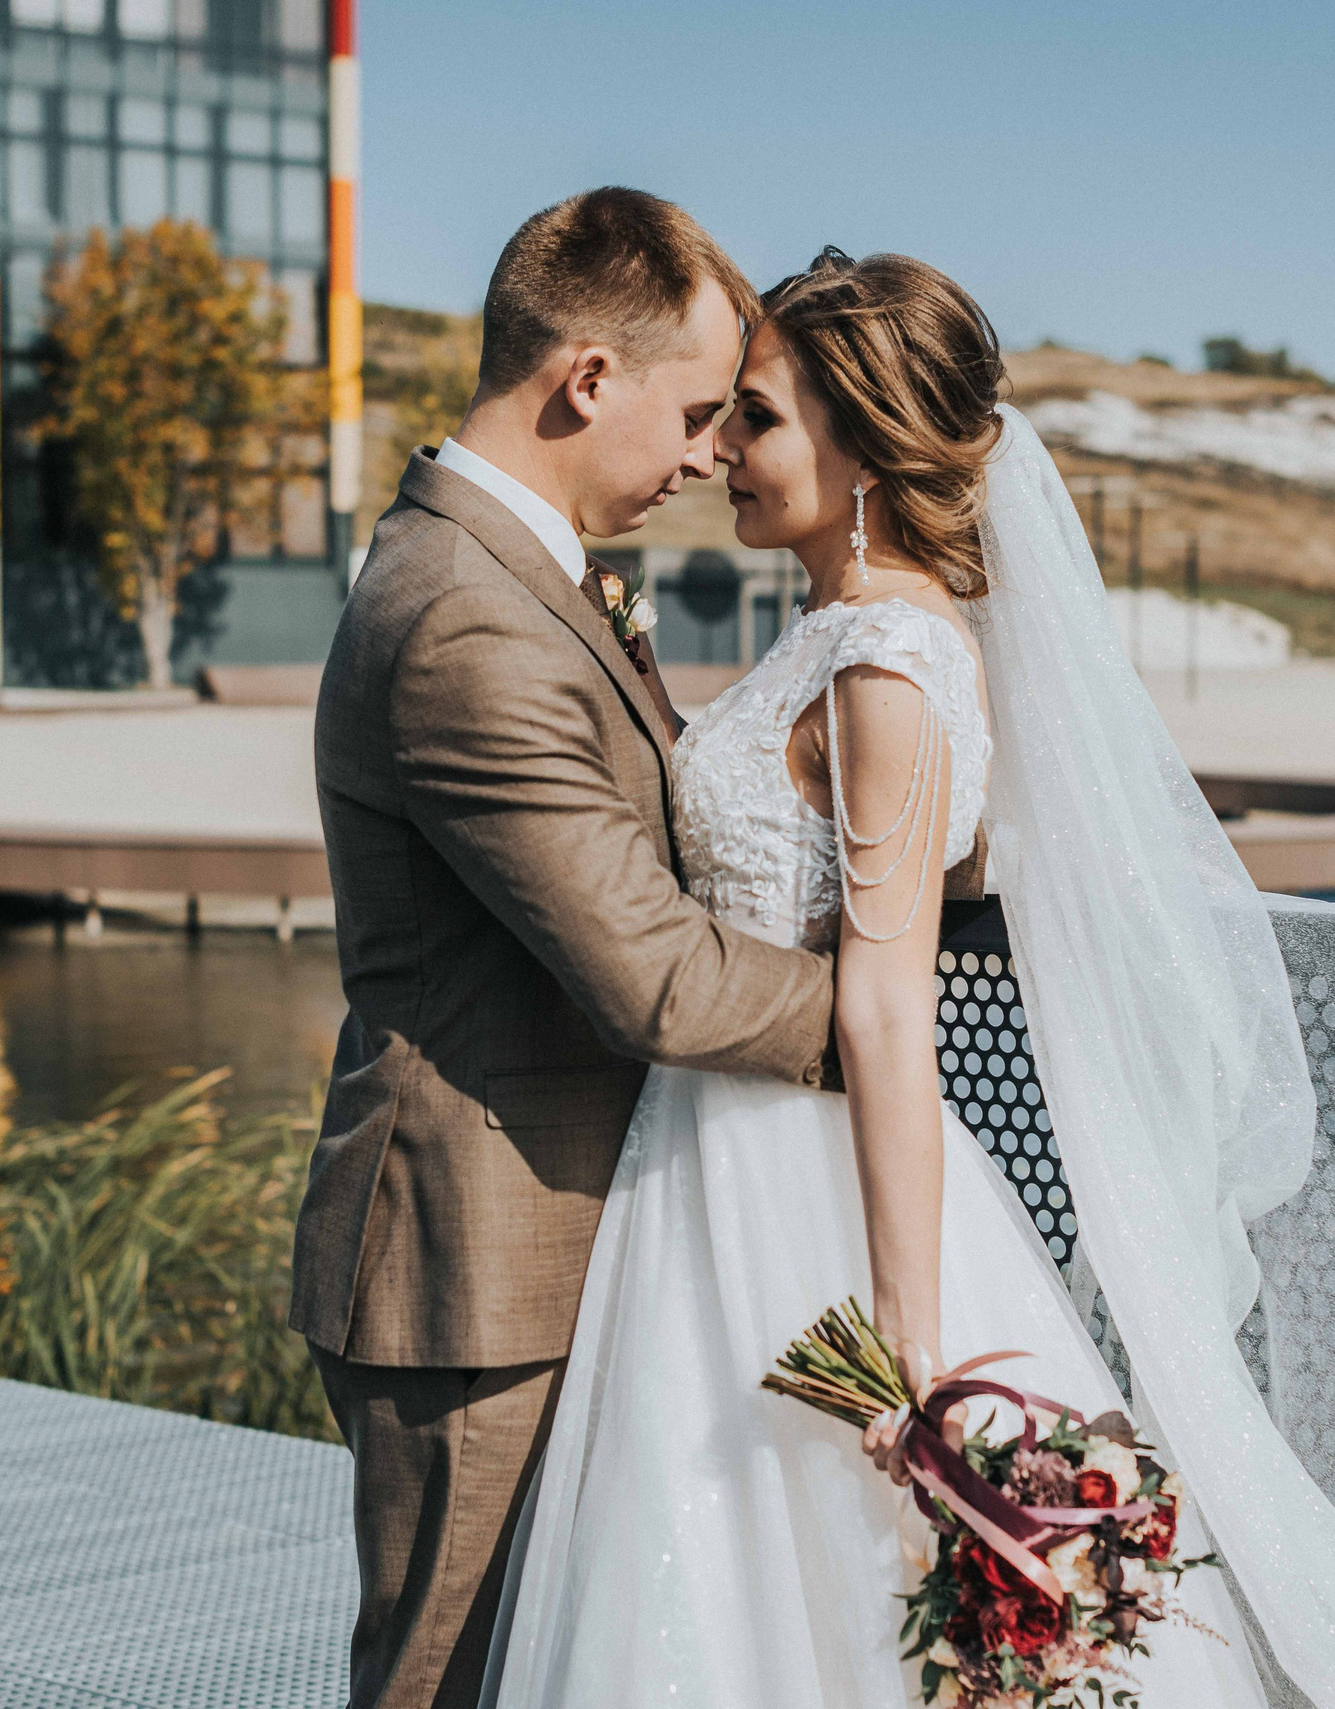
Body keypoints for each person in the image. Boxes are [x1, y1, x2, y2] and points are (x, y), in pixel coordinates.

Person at [479, 250, 1335, 1709]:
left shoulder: (889, 663)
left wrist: (906, 1331)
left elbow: (890, 996)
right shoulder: (844, 637)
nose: (721, 449)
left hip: (791, 1184)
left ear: (861, 442)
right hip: (708, 1159)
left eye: (761, 418)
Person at [293, 188, 843, 1709]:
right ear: (585, 378)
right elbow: (649, 968)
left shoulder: (512, 575)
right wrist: (887, 1014)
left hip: (550, 1250)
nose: (703, 455)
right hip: (474, 1272)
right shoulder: (468, 616)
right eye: (689, 413)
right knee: (444, 1685)